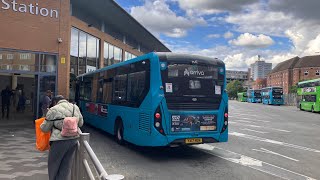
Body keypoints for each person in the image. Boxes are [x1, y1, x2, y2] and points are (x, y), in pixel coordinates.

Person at [40, 95, 83, 180]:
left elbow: (44, 129)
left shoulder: (53, 110)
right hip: (73, 140)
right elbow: (81, 123)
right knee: (66, 166)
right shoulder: (75, 107)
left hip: (58, 141)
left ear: (55, 102)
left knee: (53, 165)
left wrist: (46, 116)